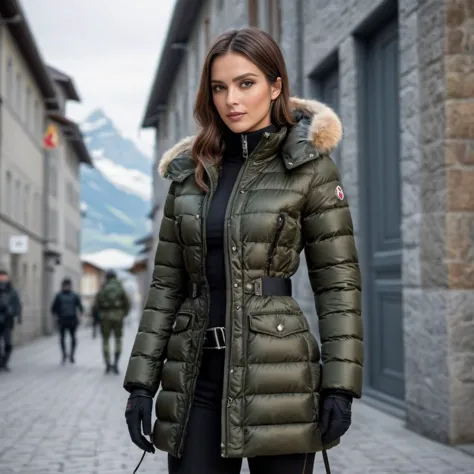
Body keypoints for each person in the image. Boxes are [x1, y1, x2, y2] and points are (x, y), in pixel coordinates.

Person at [123, 27, 363, 474]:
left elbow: (338, 283)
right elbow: (165, 285)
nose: (231, 99)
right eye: (219, 87)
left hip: (280, 377)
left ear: (275, 87)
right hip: (195, 379)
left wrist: (340, 387)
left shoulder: (309, 167)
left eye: (245, 83)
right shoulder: (188, 175)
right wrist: (141, 384)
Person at [93, 270, 130, 374]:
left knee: (105, 340)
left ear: (106, 277)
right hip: (118, 317)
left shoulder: (103, 287)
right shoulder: (119, 287)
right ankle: (116, 363)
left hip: (105, 317)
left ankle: (108, 364)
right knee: (118, 340)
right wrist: (124, 314)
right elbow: (127, 302)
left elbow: (96, 303)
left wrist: (100, 314)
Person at [51, 277, 84, 364]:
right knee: (62, 338)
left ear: (70, 286)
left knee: (73, 338)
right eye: (65, 286)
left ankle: (72, 355)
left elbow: (80, 307)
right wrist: (55, 317)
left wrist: (80, 316)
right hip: (62, 319)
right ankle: (64, 354)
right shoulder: (58, 296)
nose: (66, 287)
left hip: (72, 319)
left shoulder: (74, 295)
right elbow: (53, 308)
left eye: (67, 285)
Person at [0, 270, 21, 372]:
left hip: (8, 321)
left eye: (4, 277)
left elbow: (17, 305)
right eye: (1, 277)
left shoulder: (12, 291)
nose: (2, 279)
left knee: (8, 344)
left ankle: (4, 362)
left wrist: (16, 314)